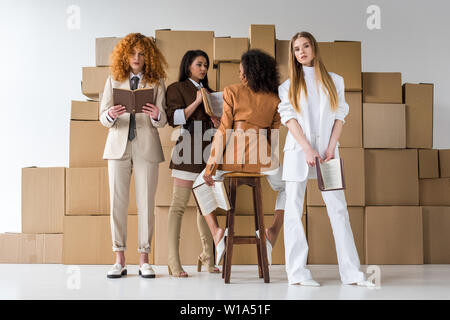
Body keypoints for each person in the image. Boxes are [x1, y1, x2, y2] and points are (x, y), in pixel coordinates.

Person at [278, 31, 374, 287]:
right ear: (294, 55)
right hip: (299, 153)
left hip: (329, 154)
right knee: (293, 212)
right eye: (297, 49)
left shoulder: (335, 81)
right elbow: (290, 120)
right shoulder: (287, 87)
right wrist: (308, 149)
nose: (302, 52)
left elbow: (340, 116)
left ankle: (352, 273)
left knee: (339, 210)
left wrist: (331, 147)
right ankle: (297, 273)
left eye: (305, 46)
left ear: (314, 48)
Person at [193, 49, 286, 267]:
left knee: (200, 184)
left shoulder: (232, 91)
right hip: (263, 160)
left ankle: (217, 233)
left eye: (241, 70)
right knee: (290, 186)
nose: (240, 74)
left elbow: (224, 131)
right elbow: (273, 136)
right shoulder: (275, 98)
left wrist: (211, 167)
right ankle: (272, 232)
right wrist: (269, 161)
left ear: (249, 70)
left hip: (232, 159)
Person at [99, 33, 168, 279]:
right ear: (125, 56)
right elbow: (102, 116)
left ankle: (144, 259)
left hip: (146, 147)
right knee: (117, 203)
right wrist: (111, 114)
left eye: (141, 54)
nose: (137, 58)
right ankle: (119, 259)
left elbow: (163, 122)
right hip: (118, 147)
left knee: (146, 204)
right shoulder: (113, 80)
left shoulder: (157, 82)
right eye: (132, 53)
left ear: (147, 56)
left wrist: (157, 115)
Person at [165, 50, 221, 277]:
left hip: (208, 151)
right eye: (199, 64)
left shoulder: (211, 91)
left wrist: (218, 122)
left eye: (206, 65)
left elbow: (219, 126)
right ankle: (173, 260)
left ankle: (208, 256)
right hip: (186, 149)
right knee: (178, 206)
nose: (204, 69)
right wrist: (198, 101)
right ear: (188, 65)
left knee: (206, 207)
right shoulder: (176, 89)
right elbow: (173, 119)